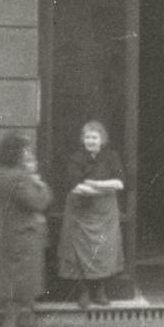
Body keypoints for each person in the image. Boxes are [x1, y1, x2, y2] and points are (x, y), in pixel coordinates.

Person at [0, 132, 52, 327]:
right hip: (25, 233)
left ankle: (18, 322)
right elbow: (38, 202)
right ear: (15, 151)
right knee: (23, 280)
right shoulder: (19, 176)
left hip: (9, 231)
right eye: (24, 149)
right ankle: (11, 325)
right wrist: (41, 186)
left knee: (12, 278)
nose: (27, 153)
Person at [57, 121, 125, 309]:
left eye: (94, 137)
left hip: (105, 211)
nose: (90, 141)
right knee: (80, 250)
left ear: (102, 139)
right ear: (83, 139)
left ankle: (100, 291)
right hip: (80, 209)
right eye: (87, 137)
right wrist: (104, 186)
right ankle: (84, 292)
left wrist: (94, 185)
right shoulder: (76, 158)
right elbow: (75, 185)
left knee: (103, 249)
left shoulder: (112, 157)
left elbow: (120, 183)